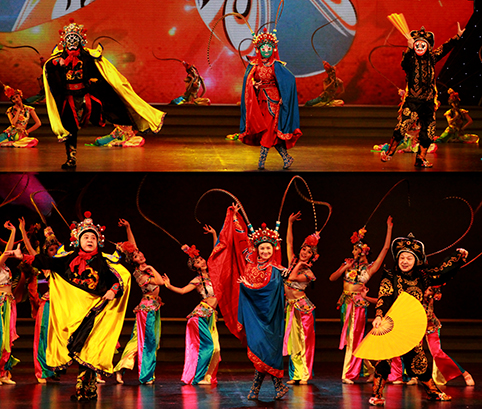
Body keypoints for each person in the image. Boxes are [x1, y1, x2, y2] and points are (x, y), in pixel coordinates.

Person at [9, 212, 131, 401]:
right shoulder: (68, 259)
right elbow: (47, 261)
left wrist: (113, 291)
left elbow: (116, 281)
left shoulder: (103, 263)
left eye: (93, 238)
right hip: (73, 312)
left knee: (88, 349)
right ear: (78, 240)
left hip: (93, 312)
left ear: (98, 242)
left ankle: (85, 388)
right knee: (78, 349)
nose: (89, 240)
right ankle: (85, 389)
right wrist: (23, 256)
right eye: (86, 237)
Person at [43, 18, 166, 169]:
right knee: (70, 128)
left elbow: (100, 73)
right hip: (69, 98)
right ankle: (71, 157)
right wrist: (57, 63)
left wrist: (94, 81)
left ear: (80, 40)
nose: (72, 42)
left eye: (75, 39)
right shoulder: (58, 58)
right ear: (64, 41)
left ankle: (130, 125)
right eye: (69, 39)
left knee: (110, 105)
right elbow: (50, 66)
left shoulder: (89, 56)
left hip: (86, 96)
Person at [369, 234, 468, 406]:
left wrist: (458, 256)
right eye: (402, 257)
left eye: (409, 258)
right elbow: (384, 296)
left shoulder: (422, 276)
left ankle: (433, 392)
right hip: (391, 324)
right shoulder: (390, 275)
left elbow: (441, 272)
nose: (405, 261)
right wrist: (378, 315)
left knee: (418, 359)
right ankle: (377, 394)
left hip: (409, 326)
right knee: (384, 359)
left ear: (416, 260)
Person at [208, 203, 288, 400]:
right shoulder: (250, 266)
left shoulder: (276, 270)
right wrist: (234, 217)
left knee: (268, 352)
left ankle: (259, 390)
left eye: (268, 248)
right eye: (262, 248)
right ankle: (271, 388)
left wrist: (249, 286)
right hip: (255, 318)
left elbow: (268, 291)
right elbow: (239, 241)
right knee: (261, 350)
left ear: (273, 249)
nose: (266, 251)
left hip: (271, 319)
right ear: (257, 250)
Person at [381, 23, 465, 167]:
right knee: (403, 127)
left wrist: (457, 37)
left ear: (428, 47)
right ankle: (389, 153)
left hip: (428, 102)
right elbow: (404, 64)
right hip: (412, 101)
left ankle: (420, 158)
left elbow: (445, 48)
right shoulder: (410, 59)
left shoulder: (432, 57)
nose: (419, 48)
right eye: (417, 45)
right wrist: (409, 49)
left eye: (423, 45)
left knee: (428, 131)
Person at [329, 216, 393, 384]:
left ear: (364, 251)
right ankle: (370, 369)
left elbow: (385, 248)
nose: (354, 252)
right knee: (353, 338)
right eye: (353, 249)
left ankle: (349, 374)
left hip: (357, 305)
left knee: (353, 337)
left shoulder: (369, 268)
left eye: (356, 249)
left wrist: (389, 228)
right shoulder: (348, 263)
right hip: (346, 303)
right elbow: (332, 278)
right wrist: (344, 267)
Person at [233, 28, 302, 170]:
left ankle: (261, 162)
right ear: (258, 49)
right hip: (260, 102)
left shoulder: (276, 65)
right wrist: (254, 85)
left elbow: (289, 80)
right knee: (270, 133)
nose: (266, 50)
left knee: (268, 131)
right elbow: (249, 81)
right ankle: (286, 158)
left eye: (268, 48)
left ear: (273, 49)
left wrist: (284, 96)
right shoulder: (254, 65)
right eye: (263, 48)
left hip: (273, 102)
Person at [163, 226, 220, 385]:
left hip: (211, 316)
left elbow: (216, 254)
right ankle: (198, 377)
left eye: (201, 259)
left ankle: (206, 376)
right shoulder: (197, 280)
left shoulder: (214, 274)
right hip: (200, 315)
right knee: (208, 347)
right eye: (197, 262)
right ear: (195, 267)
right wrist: (169, 286)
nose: (202, 261)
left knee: (216, 349)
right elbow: (182, 291)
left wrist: (214, 234)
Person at [114, 219, 164, 385]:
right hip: (146, 309)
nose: (139, 255)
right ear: (133, 261)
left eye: (140, 253)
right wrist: (151, 268)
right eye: (136, 256)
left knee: (144, 341)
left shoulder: (144, 268)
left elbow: (133, 246)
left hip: (153, 307)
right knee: (146, 341)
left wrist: (128, 227)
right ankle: (144, 375)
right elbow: (160, 282)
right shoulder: (139, 274)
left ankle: (123, 369)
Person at [18, 218, 61, 384]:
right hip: (48, 304)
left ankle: (53, 368)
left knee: (56, 338)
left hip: (61, 306)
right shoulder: (46, 267)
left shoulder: (64, 265)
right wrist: (22, 230)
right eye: (51, 249)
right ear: (46, 252)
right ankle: (41, 371)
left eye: (56, 248)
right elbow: (31, 250)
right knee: (43, 336)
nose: (54, 251)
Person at [283, 211, 317, 384]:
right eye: (304, 249)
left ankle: (304, 374)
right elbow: (289, 243)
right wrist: (290, 223)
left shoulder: (308, 273)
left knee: (304, 341)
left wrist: (299, 265)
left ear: (312, 256)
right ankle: (295, 375)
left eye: (309, 252)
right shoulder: (293, 262)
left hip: (303, 309)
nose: (304, 253)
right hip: (290, 306)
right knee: (293, 341)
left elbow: (291, 278)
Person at [423, 286, 475, 387]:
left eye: (429, 290)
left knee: (437, 353)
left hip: (431, 325)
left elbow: (429, 312)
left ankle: (464, 373)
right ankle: (409, 377)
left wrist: (432, 292)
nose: (426, 292)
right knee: (411, 351)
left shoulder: (430, 293)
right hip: (416, 326)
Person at [0, 221, 20, 385]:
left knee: (7, 338)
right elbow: (8, 250)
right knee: (1, 337)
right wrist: (13, 232)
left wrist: (14, 231)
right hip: (0, 304)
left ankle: (2, 373)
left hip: (8, 303)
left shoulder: (5, 268)